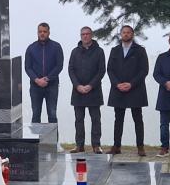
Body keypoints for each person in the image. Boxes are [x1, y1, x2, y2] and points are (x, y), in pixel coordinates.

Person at [106, 25, 150, 156]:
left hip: (135, 89)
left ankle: (140, 147)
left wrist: (131, 84)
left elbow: (144, 70)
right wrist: (117, 83)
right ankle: (116, 146)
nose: (126, 34)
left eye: (128, 32)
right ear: (121, 34)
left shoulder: (140, 50)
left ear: (132, 34)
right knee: (118, 119)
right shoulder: (115, 50)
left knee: (138, 118)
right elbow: (110, 69)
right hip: (118, 89)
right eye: (123, 32)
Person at [66, 26, 106, 154]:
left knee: (95, 119)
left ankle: (96, 145)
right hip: (78, 91)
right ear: (80, 36)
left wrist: (90, 85)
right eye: (83, 34)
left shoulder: (99, 51)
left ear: (91, 35)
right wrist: (78, 85)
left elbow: (101, 71)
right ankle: (79, 145)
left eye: (87, 34)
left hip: (93, 91)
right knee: (79, 119)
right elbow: (70, 70)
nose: (85, 36)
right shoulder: (75, 51)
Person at [23, 23, 62, 125]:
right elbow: (28, 67)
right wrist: (37, 80)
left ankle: (53, 140)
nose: (42, 34)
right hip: (35, 86)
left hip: (52, 85)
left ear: (49, 32)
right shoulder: (31, 48)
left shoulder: (56, 47)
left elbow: (59, 66)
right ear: (37, 32)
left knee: (52, 114)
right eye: (40, 31)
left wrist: (47, 78)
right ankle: (36, 140)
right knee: (36, 114)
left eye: (44, 31)